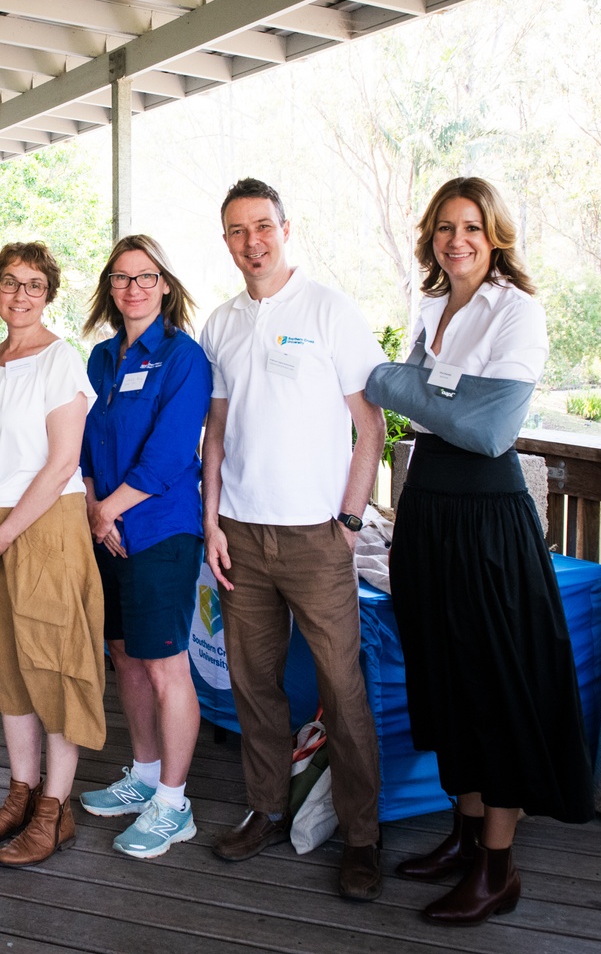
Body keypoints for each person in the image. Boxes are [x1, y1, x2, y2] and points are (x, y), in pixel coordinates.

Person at [376, 177, 594, 926]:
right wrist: (424, 392)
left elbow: (489, 428)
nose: (456, 240)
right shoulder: (434, 306)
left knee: (494, 683)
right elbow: (432, 406)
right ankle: (465, 836)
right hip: (428, 502)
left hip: (485, 511)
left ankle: (498, 867)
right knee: (445, 676)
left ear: (495, 234)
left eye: (471, 226)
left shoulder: (518, 311)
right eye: (444, 226)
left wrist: (396, 382)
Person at [200, 178, 386, 901]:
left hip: (317, 537)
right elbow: (217, 432)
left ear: (285, 228)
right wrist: (213, 521)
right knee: (254, 686)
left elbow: (369, 427)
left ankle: (363, 837)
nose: (253, 242)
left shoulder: (331, 309)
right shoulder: (220, 323)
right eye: (238, 231)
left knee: (342, 689)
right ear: (226, 241)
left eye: (263, 227)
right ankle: (267, 810)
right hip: (242, 534)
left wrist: (348, 520)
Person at [78, 235, 212, 859]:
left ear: (164, 285)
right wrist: (93, 508)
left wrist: (110, 509)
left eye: (146, 277)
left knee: (165, 667)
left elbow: (168, 454)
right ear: (111, 288)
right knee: (126, 658)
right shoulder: (103, 359)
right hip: (107, 531)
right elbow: (87, 446)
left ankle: (174, 804)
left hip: (160, 531)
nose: (134, 288)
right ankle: (146, 774)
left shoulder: (184, 358)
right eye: (122, 278)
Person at [0, 241, 105, 867]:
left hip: (44, 523)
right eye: (10, 282)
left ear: (49, 294)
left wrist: (8, 533)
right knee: (10, 664)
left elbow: (64, 460)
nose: (19, 295)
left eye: (33, 285)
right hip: (2, 522)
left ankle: (55, 809)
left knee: (56, 665)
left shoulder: (61, 361)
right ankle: (20, 790)